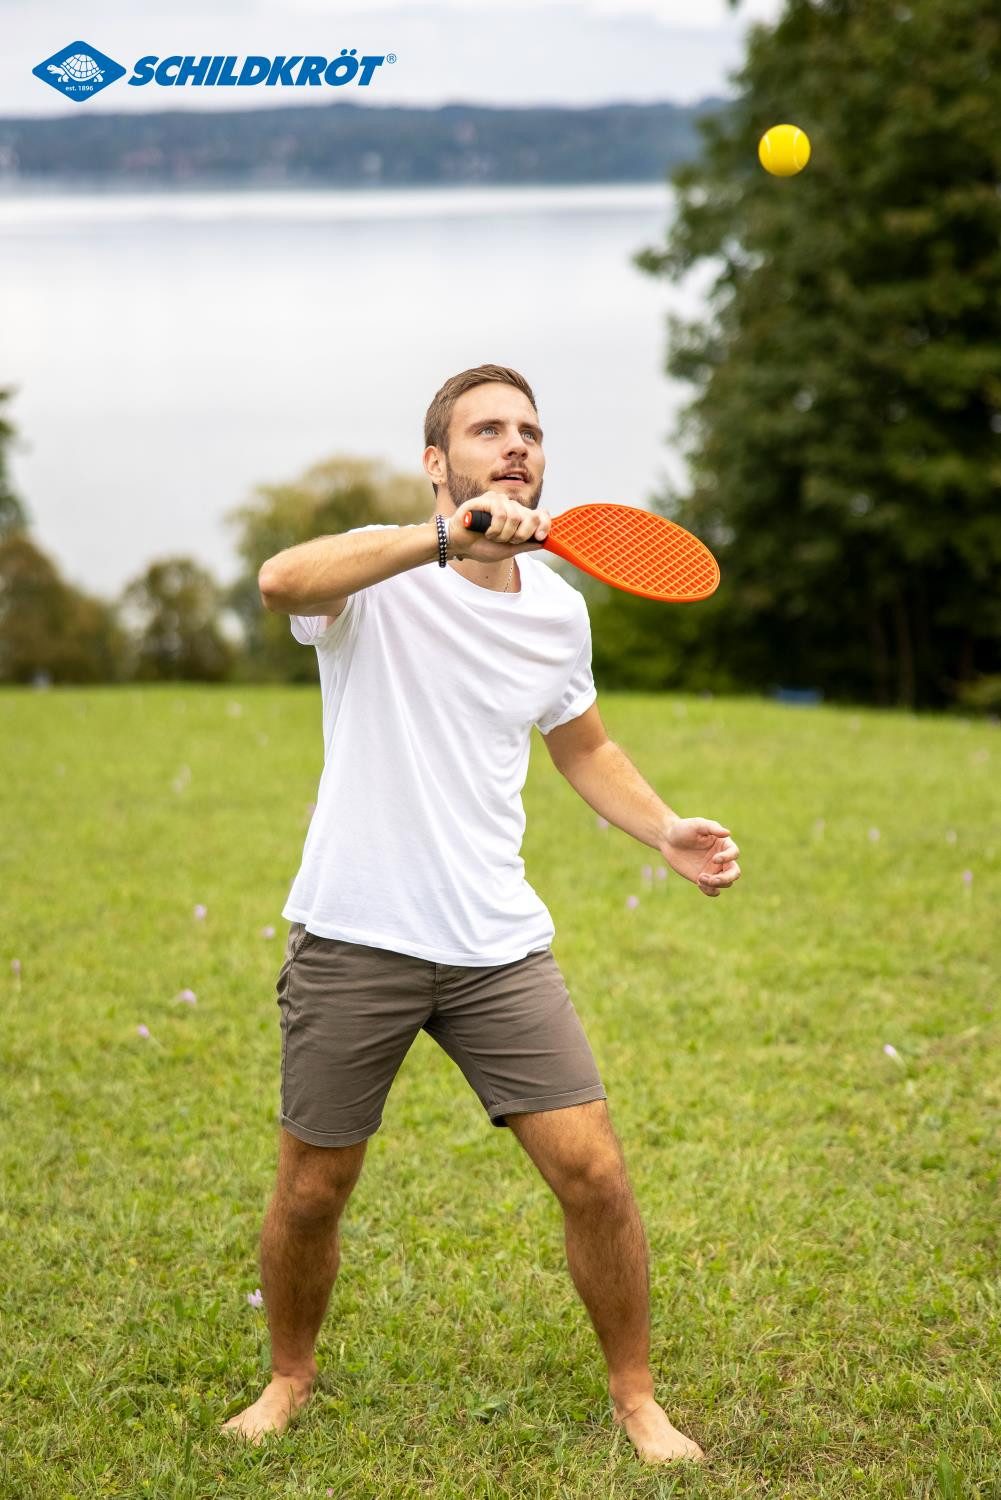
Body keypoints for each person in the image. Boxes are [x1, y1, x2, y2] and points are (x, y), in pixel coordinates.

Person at [223, 363, 741, 1463]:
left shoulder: (557, 610)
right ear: (436, 460)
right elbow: (277, 580)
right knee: (313, 1188)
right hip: (355, 933)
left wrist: (662, 830)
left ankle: (636, 1397)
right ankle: (288, 1376)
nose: (515, 446)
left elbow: (582, 744)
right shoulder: (380, 571)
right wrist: (440, 539)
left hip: (496, 946)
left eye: (529, 432)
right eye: (488, 429)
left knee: (593, 1173)